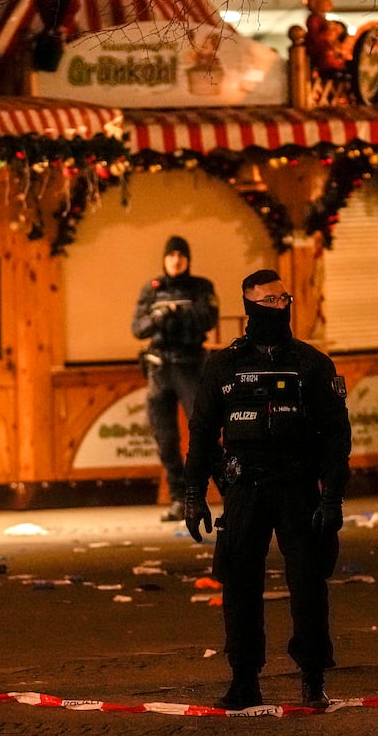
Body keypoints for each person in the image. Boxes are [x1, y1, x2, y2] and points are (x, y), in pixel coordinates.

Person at [183, 269, 352, 710]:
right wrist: (194, 493)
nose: (280, 308)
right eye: (270, 302)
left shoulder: (312, 364)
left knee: (308, 584)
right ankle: (244, 679)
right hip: (244, 489)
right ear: (250, 306)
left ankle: (313, 677)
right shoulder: (223, 366)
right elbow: (202, 433)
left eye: (284, 300)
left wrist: (332, 496)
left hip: (299, 488)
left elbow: (337, 436)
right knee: (239, 586)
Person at [131, 236, 219, 521]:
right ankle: (180, 499)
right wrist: (159, 318)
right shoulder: (152, 289)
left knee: (203, 432)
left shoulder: (201, 287)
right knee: (165, 439)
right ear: (165, 258)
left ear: (188, 259)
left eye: (182, 254)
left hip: (190, 365)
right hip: (159, 368)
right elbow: (138, 327)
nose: (176, 259)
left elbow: (209, 318)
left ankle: (227, 493)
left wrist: (180, 314)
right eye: (171, 255)